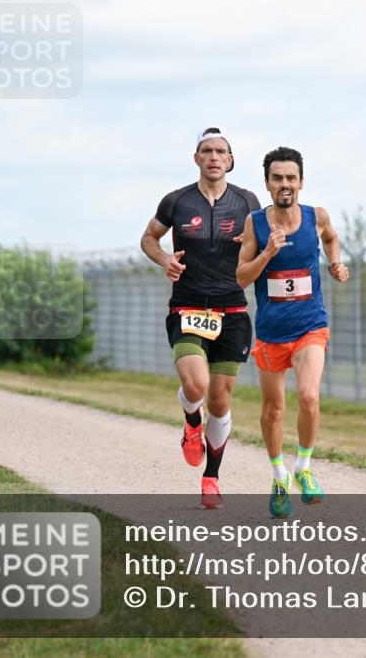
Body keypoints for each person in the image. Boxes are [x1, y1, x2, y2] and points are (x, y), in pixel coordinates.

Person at [140, 127, 261, 509]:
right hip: (188, 307)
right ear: (196, 158)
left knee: (221, 401)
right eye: (206, 150)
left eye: (220, 151)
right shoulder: (176, 201)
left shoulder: (247, 201)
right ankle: (192, 421)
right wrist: (165, 260)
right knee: (197, 386)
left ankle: (211, 478)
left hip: (233, 310)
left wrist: (254, 244)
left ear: (230, 160)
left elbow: (266, 242)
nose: (213, 156)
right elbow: (149, 238)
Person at [236, 146, 349, 518]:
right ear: (267, 183)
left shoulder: (317, 216)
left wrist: (334, 263)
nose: (285, 184)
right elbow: (241, 278)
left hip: (310, 326)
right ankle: (279, 476)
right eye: (277, 178)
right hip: (271, 332)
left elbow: (331, 238)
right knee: (273, 410)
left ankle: (304, 468)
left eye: (291, 177)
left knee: (309, 397)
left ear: (301, 181)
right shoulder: (255, 223)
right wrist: (267, 253)